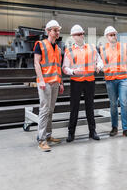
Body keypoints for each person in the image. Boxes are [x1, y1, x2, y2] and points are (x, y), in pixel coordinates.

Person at [62, 24, 103, 142]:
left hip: (89, 81)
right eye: (79, 34)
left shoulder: (92, 48)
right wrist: (73, 71)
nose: (81, 36)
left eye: (82, 33)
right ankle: (71, 133)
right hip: (76, 82)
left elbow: (100, 61)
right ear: (73, 37)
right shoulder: (69, 51)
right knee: (74, 108)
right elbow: (65, 68)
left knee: (90, 107)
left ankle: (92, 131)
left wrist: (99, 66)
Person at [33, 20, 64, 152]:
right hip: (45, 82)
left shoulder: (58, 48)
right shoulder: (40, 45)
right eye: (55, 30)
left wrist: (61, 82)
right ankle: (41, 139)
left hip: (55, 82)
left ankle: (48, 135)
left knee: (50, 110)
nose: (57, 33)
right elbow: (36, 63)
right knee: (44, 111)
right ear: (48, 31)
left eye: (58, 30)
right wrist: (40, 80)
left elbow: (58, 67)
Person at [99, 26, 127, 139]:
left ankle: (126, 129)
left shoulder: (124, 47)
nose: (113, 36)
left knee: (124, 103)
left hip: (122, 79)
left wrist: (125, 69)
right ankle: (114, 127)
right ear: (106, 37)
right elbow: (99, 62)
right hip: (110, 80)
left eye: (114, 34)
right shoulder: (102, 49)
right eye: (111, 35)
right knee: (113, 104)